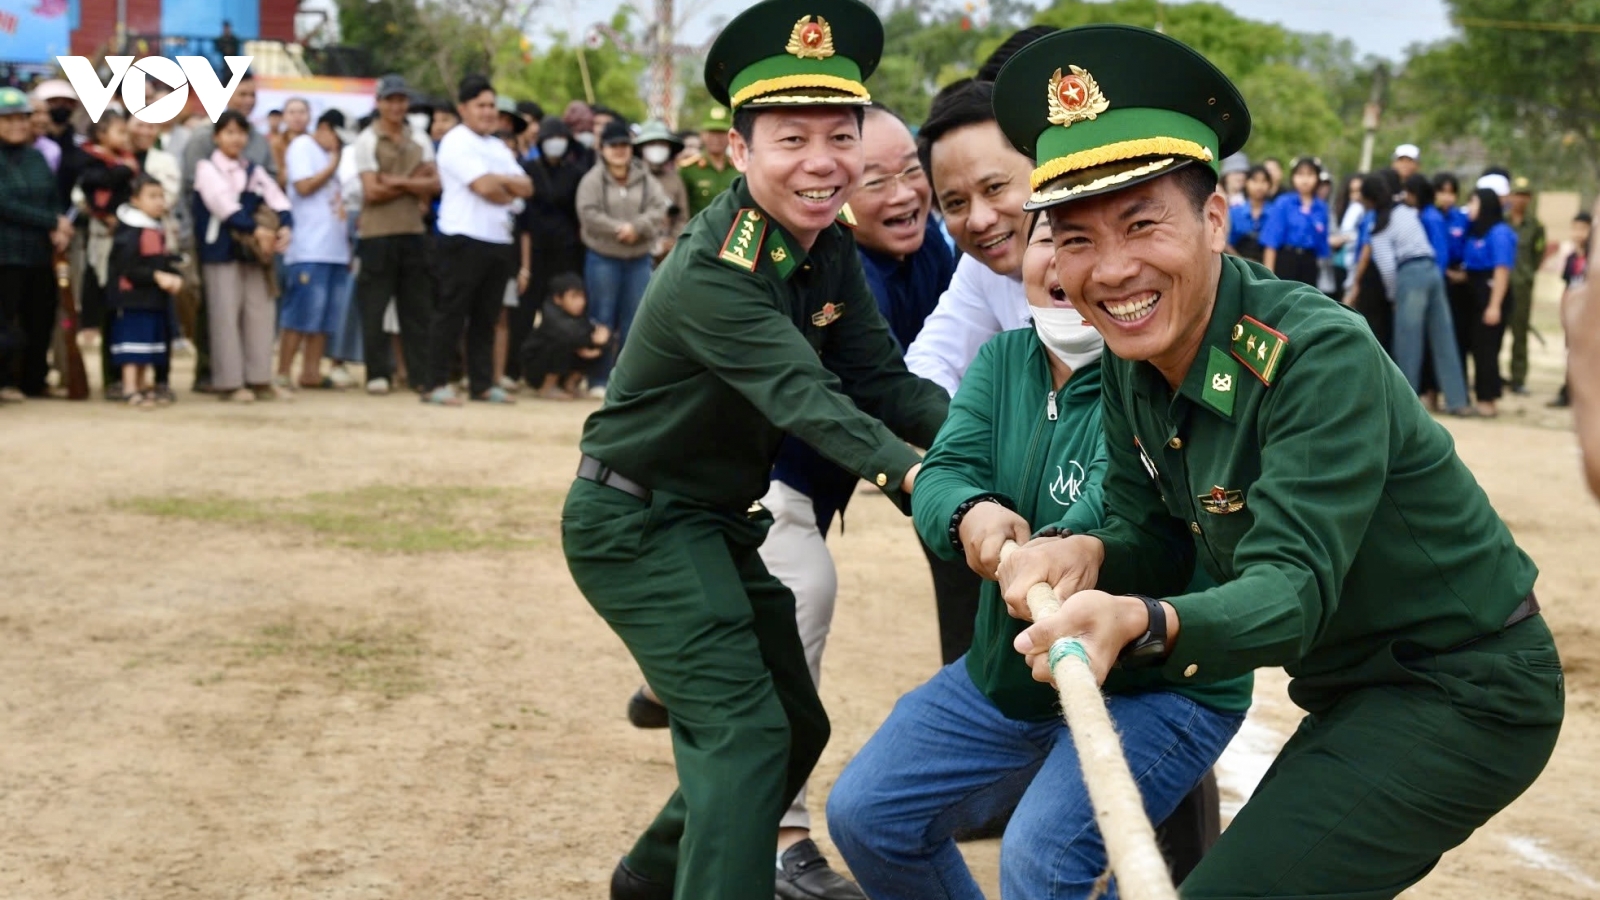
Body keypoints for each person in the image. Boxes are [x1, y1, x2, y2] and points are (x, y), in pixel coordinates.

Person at [992, 26, 1560, 900]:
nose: (1111, 270)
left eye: (1142, 224)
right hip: (1353, 687)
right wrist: (1087, 552)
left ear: (1215, 220)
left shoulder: (1315, 354)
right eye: (1074, 239)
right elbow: (1149, 534)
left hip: (1462, 687)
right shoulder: (1132, 366)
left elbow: (1291, 589)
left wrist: (1140, 620)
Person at [561, 1, 950, 896]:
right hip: (635, 523)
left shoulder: (824, 245)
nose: (822, 161)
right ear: (739, 151)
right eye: (791, 139)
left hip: (711, 522)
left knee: (794, 725)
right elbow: (809, 400)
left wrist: (993, 445)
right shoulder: (717, 271)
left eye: (841, 136)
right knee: (743, 735)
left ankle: (653, 877)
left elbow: (884, 384)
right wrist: (925, 483)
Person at [829, 209, 1247, 900]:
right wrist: (968, 510)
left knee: (1043, 861)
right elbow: (945, 469)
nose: (1064, 262)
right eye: (1053, 240)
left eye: (1091, 242)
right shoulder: (1001, 360)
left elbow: (1118, 506)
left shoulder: (1157, 371)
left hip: (1160, 684)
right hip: (1009, 672)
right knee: (868, 814)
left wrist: (1050, 549)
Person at [427, 74, 531, 405]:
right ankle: (435, 382)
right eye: (480, 105)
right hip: (462, 237)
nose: (487, 112)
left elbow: (527, 187)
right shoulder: (456, 141)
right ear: (463, 109)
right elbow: (485, 188)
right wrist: (504, 185)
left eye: (491, 105)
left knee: (487, 318)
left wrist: (498, 183)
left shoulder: (497, 146)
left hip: (497, 238)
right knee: (452, 313)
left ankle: (482, 384)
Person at [1346, 174, 1471, 414]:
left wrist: (1394, 296)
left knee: (1408, 342)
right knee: (1443, 336)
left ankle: (1406, 403)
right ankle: (1458, 401)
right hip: (1431, 269)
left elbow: (1387, 269)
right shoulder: (1405, 211)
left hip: (1410, 275)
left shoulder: (1379, 228)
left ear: (1369, 200)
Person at [192, 109, 293, 403]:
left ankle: (260, 379)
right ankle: (229, 382)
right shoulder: (207, 169)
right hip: (221, 250)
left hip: (254, 254)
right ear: (217, 137)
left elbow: (279, 200)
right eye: (229, 132)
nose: (235, 139)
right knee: (225, 315)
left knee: (260, 313)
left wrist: (285, 227)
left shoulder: (254, 170)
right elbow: (225, 207)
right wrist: (258, 230)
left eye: (240, 133)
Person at [181, 71, 273, 394]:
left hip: (253, 239)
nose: (247, 100)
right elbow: (189, 191)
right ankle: (210, 373)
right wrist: (189, 234)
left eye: (251, 95)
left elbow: (271, 184)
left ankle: (253, 376)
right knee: (213, 306)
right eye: (240, 94)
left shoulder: (259, 139)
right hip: (211, 234)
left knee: (251, 308)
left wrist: (268, 227)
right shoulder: (202, 138)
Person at [353, 75, 440, 396]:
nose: (396, 106)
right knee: (374, 308)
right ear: (379, 103)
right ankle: (378, 373)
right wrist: (412, 182)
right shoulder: (367, 139)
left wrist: (394, 181)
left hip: (413, 231)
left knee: (416, 309)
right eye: (390, 100)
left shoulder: (419, 138)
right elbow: (372, 191)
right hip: (377, 233)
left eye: (401, 100)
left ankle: (419, 374)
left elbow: (435, 183)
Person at [574, 119, 669, 396]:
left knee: (635, 320)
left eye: (624, 145)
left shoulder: (646, 179)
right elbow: (588, 213)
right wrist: (618, 229)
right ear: (602, 148)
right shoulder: (592, 180)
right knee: (601, 317)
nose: (619, 150)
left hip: (639, 259)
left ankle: (627, 382)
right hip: (602, 257)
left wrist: (636, 228)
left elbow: (658, 209)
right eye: (613, 145)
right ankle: (598, 379)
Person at [0, 86, 72, 403]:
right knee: (5, 321)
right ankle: (4, 380)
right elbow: (4, 203)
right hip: (6, 254)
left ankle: (35, 379)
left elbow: (53, 197)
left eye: (22, 118)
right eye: (8, 119)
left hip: (40, 254)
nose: (17, 125)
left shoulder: (36, 157)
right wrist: (50, 221)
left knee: (40, 318)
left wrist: (61, 225)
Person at [276, 109, 351, 396]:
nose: (338, 143)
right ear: (324, 128)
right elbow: (303, 186)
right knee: (300, 312)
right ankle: (283, 372)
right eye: (336, 135)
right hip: (309, 247)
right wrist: (332, 165)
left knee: (325, 317)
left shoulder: (333, 154)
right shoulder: (303, 146)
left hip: (335, 248)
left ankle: (311, 372)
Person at [93, 175, 183, 408]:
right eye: (152, 196)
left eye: (161, 196)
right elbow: (127, 267)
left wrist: (174, 273)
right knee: (133, 345)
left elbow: (160, 260)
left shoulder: (155, 227)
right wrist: (157, 276)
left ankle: (142, 386)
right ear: (135, 200)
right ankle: (129, 387)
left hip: (152, 300)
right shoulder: (130, 231)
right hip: (132, 301)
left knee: (148, 345)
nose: (159, 202)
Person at [512, 115, 588, 384]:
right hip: (534, 250)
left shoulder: (575, 174)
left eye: (561, 138)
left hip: (566, 252)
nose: (556, 143)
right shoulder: (527, 170)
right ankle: (514, 369)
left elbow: (579, 216)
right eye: (551, 138)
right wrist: (523, 264)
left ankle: (560, 373)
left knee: (564, 314)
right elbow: (522, 218)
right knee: (524, 312)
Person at [1461, 186, 1518, 417]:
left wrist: (1494, 305)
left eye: (1473, 203)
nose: (1470, 208)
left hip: (1491, 294)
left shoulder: (1499, 232)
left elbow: (1501, 270)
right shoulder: (1476, 231)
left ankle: (1488, 400)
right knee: (1475, 346)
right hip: (1472, 294)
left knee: (1487, 349)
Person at [521, 272, 609, 399]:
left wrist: (600, 341)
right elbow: (567, 334)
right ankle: (548, 387)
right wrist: (589, 341)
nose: (581, 302)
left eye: (582, 296)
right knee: (562, 341)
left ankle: (570, 384)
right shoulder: (550, 314)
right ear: (558, 298)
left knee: (602, 340)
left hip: (564, 367)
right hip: (537, 368)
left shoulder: (581, 316)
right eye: (574, 296)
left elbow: (592, 333)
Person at [1259, 156, 1330, 288]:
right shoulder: (1284, 203)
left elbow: (1322, 245)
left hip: (1310, 262)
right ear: (1293, 177)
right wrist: (1269, 277)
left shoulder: (1321, 207)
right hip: (1286, 260)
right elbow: (1271, 241)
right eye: (1300, 174)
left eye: (1310, 174)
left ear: (1317, 178)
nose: (1305, 180)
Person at [1506, 176, 1546, 396]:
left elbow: (1538, 254)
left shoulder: (1536, 226)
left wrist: (1527, 274)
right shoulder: (1501, 221)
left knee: (1520, 333)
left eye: (1524, 195)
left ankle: (1518, 378)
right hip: (1499, 285)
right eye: (1517, 194)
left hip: (1522, 286)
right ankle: (1494, 378)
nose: (1520, 199)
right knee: (1494, 334)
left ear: (1530, 198)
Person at [633, 119, 688, 262]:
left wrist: (672, 240)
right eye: (651, 144)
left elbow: (682, 216)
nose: (657, 148)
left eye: (662, 144)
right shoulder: (631, 178)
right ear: (641, 148)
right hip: (635, 250)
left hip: (667, 254)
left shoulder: (675, 180)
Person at [1550, 211, 1589, 409]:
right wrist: (1564, 311)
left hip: (1590, 314)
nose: (1578, 233)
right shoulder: (1572, 258)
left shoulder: (1593, 259)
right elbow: (1567, 287)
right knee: (1571, 352)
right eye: (1575, 228)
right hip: (1573, 312)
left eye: (1583, 229)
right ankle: (1568, 391)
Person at [679, 106, 738, 219]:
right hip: (699, 229)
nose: (716, 138)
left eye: (721, 133)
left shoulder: (739, 169)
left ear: (730, 136)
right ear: (702, 135)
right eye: (712, 133)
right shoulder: (688, 170)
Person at [1224, 164, 1270, 263]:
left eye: (1263, 181)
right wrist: (1243, 262)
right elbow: (1226, 243)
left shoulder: (1275, 212)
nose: (1259, 186)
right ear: (1246, 182)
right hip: (1237, 264)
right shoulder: (1234, 212)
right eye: (1255, 180)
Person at [270, 97, 310, 189]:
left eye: (302, 112)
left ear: (309, 116)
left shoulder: (316, 143)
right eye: (292, 112)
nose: (297, 117)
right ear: (284, 117)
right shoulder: (276, 143)